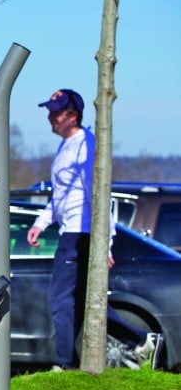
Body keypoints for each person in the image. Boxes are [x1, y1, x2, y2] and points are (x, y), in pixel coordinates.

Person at [27, 88, 161, 370]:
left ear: (72, 115)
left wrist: (106, 243)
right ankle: (139, 341)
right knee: (83, 298)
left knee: (61, 298)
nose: (50, 117)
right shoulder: (65, 146)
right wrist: (41, 223)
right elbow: (61, 195)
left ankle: (64, 363)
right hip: (70, 230)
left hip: (80, 233)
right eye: (49, 111)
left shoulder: (86, 145)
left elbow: (100, 194)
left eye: (56, 112)